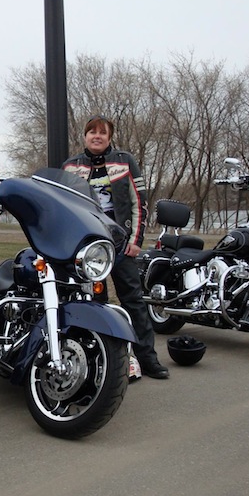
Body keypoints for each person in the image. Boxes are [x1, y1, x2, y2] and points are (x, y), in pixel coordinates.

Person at [62, 115, 170, 379]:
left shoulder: (124, 161)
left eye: (102, 133)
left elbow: (139, 204)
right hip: (88, 249)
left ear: (110, 137)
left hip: (120, 246)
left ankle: (148, 359)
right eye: (92, 132)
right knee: (92, 304)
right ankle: (100, 362)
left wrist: (135, 242)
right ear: (84, 136)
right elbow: (63, 206)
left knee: (133, 302)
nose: (96, 136)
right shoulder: (70, 166)